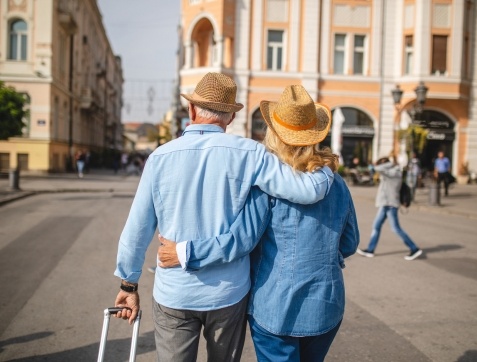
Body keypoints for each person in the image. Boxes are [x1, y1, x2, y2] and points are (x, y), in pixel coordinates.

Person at [113, 73, 334, 362]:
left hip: (175, 292)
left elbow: (136, 231)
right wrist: (328, 168)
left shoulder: (159, 157)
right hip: (228, 294)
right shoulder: (251, 154)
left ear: (191, 111)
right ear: (230, 117)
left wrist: (128, 285)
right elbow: (305, 191)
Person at [156, 85, 360, 361]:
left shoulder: (268, 185)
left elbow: (240, 241)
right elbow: (349, 243)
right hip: (327, 305)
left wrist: (185, 252)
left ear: (274, 133)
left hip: (275, 308)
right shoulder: (336, 183)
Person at [357, 154, 423, 261]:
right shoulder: (390, 172)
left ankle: (414, 248)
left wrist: (387, 163)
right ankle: (370, 250)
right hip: (385, 204)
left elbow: (377, 168)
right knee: (376, 226)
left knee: (395, 228)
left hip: (390, 205)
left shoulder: (394, 173)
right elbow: (377, 169)